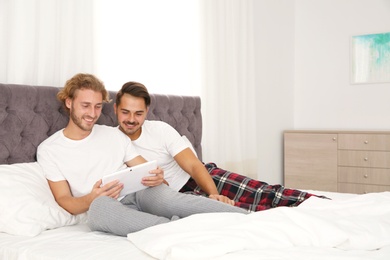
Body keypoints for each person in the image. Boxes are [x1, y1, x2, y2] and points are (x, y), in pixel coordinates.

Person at [37, 73, 248, 237]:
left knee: (161, 196)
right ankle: (179, 229)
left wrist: (157, 177)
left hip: (137, 193)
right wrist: (92, 197)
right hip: (103, 205)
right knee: (98, 209)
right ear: (68, 102)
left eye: (98, 106)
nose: (92, 114)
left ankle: (243, 218)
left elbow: (148, 171)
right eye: (85, 106)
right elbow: (64, 200)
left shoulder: (114, 135)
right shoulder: (50, 149)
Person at [114, 81, 328, 212]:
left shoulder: (160, 129)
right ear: (115, 109)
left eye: (138, 113)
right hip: (173, 197)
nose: (131, 119)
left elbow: (194, 166)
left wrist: (213, 194)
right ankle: (301, 216)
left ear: (147, 112)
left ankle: (323, 205)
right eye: (125, 112)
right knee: (248, 210)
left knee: (263, 192)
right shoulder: (110, 142)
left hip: (200, 178)